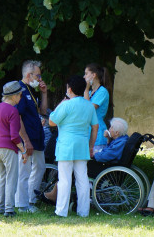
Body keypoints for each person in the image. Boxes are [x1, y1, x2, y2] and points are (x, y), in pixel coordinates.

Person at [39, 117, 129, 206]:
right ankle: (56, 193)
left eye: (111, 127)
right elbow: (109, 152)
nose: (109, 129)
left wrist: (94, 154)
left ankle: (56, 194)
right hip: (105, 165)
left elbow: (107, 155)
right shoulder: (120, 139)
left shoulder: (120, 142)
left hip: (104, 167)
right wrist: (108, 139)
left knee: (73, 167)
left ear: (117, 132)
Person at [48, 75, 98, 218]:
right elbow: (95, 127)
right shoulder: (89, 105)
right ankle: (84, 211)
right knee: (82, 179)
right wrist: (91, 146)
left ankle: (61, 211)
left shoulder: (66, 104)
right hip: (82, 145)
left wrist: (61, 102)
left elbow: (52, 121)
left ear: (69, 89)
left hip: (66, 146)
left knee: (64, 179)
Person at [0, 81, 28, 217]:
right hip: (9, 149)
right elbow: (14, 136)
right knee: (11, 178)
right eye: (20, 95)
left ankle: (0, 207)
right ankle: (9, 209)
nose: (20, 97)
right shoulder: (13, 111)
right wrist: (23, 150)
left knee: (1, 178)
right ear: (14, 96)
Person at [15, 60, 50, 213]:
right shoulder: (19, 90)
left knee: (40, 166)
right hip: (26, 137)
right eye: (38, 75)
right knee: (24, 171)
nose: (40, 79)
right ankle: (21, 204)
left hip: (37, 136)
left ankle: (30, 199)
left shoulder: (31, 89)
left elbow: (42, 111)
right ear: (29, 75)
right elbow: (17, 117)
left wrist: (44, 93)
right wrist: (25, 140)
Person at [83, 63, 111, 153]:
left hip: (98, 133)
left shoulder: (102, 91)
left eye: (86, 73)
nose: (84, 76)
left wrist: (86, 90)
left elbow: (89, 109)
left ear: (94, 75)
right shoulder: (91, 92)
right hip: (88, 131)